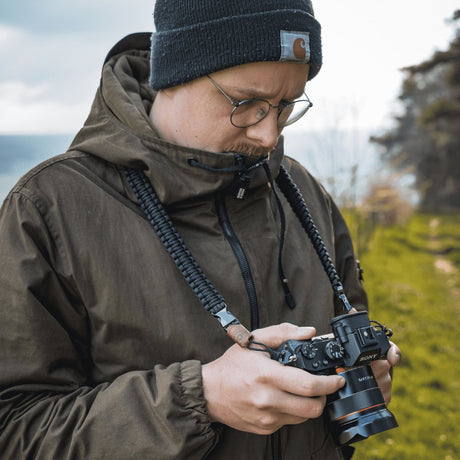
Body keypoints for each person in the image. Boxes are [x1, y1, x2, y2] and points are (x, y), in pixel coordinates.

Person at [0, 1, 401, 459]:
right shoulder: (47, 209)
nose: (269, 135)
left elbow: (351, 326)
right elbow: (15, 430)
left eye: (286, 106)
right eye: (247, 105)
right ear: (175, 73)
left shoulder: (304, 192)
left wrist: (361, 374)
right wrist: (199, 398)